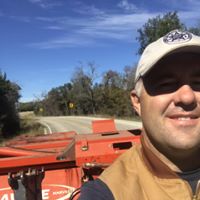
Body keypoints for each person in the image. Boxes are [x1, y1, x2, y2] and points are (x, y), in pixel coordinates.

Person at [78, 29, 200, 200]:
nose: (187, 97)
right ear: (137, 102)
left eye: (199, 83)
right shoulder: (108, 192)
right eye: (166, 84)